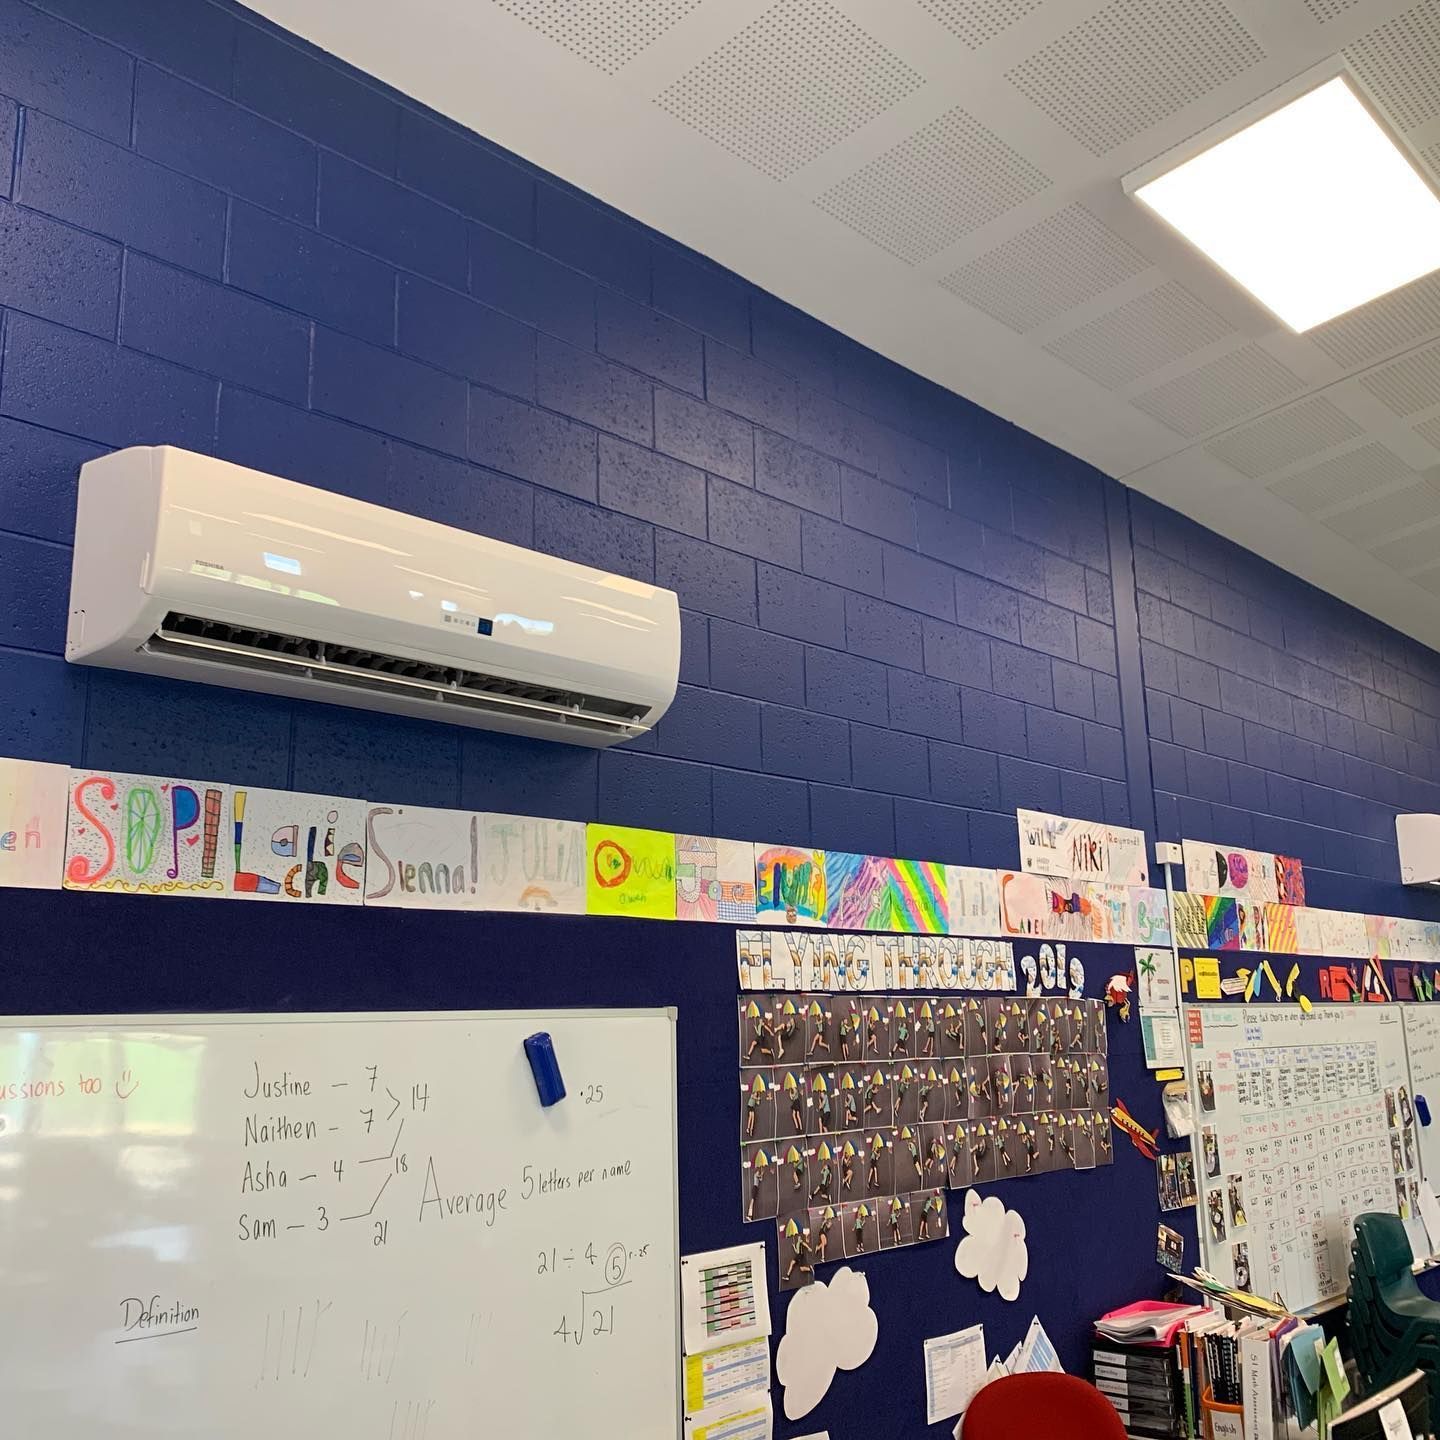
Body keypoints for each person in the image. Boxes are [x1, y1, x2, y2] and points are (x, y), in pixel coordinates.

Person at [746, 1149, 770, 1222]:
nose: (758, 1171)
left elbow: (761, 1180)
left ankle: (750, 1216)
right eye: (758, 1170)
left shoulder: (758, 1174)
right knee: (752, 1202)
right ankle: (750, 1215)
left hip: (756, 1188)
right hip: (755, 1188)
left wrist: (762, 1175)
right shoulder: (756, 1174)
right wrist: (762, 1174)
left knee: (752, 1202)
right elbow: (759, 1176)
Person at [744, 1074, 766, 1139]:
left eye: (757, 1092)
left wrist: (759, 1099)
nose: (756, 1093)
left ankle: (751, 1129)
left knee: (753, 1118)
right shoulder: (752, 1094)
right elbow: (753, 1097)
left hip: (752, 1107)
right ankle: (748, 1128)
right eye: (756, 1092)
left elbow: (758, 1103)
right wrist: (757, 1098)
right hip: (749, 1106)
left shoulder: (756, 1096)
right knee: (750, 1117)